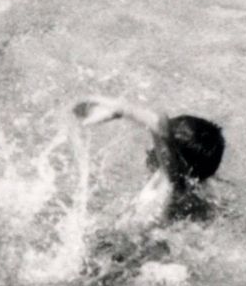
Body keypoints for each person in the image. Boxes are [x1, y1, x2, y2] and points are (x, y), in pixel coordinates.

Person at [70, 95, 227, 224]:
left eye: (159, 146)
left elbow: (158, 121)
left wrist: (118, 109)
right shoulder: (196, 187)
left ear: (169, 155)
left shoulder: (169, 184)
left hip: (121, 249)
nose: (152, 149)